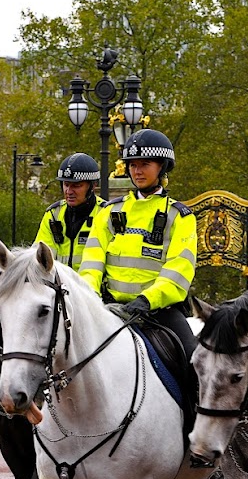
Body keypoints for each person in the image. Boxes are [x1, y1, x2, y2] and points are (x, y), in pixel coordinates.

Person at [80, 128, 197, 359]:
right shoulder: (109, 212)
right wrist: (89, 296)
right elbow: (91, 263)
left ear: (161, 167)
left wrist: (147, 300)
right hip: (109, 308)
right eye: (133, 165)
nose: (137, 171)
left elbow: (179, 271)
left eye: (145, 164)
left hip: (158, 312)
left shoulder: (180, 216)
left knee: (193, 363)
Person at [36, 153, 109, 271]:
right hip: (59, 285)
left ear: (93, 186)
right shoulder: (53, 215)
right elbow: (39, 256)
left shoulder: (106, 213)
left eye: (76, 186)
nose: (69, 191)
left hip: (93, 287)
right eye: (66, 184)